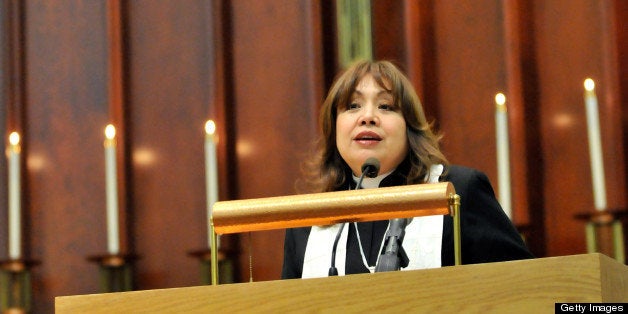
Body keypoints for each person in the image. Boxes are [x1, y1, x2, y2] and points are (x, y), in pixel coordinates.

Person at [281, 60, 533, 279]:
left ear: (409, 127)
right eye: (353, 106)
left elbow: (522, 286)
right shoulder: (308, 220)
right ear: (333, 127)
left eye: (386, 106)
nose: (368, 117)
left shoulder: (455, 192)